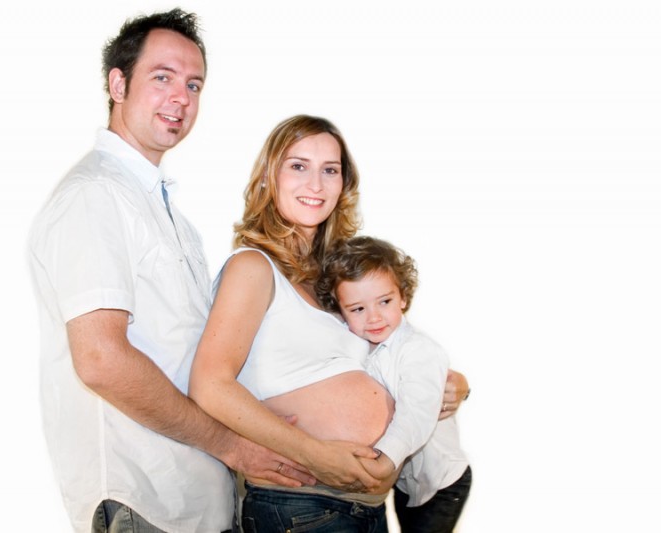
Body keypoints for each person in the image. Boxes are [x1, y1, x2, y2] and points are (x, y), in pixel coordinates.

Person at [27, 9, 316, 533]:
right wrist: (232, 445)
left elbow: (197, 356)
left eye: (193, 85)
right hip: (145, 501)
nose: (181, 98)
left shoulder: (165, 212)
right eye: (162, 77)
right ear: (118, 84)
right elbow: (101, 359)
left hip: (196, 499)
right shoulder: (95, 195)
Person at [188, 115, 470, 532]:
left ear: (344, 184)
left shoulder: (337, 279)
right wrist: (315, 454)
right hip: (302, 505)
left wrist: (452, 386)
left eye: (330, 170)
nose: (316, 184)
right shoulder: (253, 267)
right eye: (298, 166)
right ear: (268, 177)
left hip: (365, 508)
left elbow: (391, 354)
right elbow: (209, 385)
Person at [316, 236, 472, 533]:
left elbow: (414, 416)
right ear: (341, 312)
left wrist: (384, 461)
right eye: (357, 309)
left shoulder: (420, 351)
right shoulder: (357, 346)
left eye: (384, 302)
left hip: (442, 482)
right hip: (405, 480)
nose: (374, 317)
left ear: (403, 297)